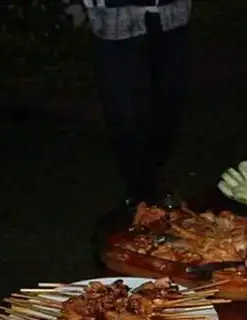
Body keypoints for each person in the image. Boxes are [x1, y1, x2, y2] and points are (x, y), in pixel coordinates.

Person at [82, 0, 192, 207]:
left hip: (172, 15)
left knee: (169, 102)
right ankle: (139, 193)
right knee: (126, 112)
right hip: (118, 21)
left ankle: (153, 179)